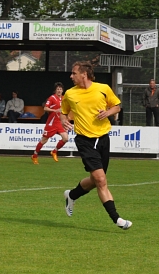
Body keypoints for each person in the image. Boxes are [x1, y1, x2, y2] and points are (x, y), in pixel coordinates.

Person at [60, 61, 131, 230]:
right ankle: (117, 219)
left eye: (74, 73)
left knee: (95, 180)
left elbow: (117, 106)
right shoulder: (69, 94)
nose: (71, 76)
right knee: (101, 180)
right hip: (84, 140)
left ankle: (71, 195)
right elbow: (63, 113)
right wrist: (64, 121)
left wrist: (108, 112)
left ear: (84, 74)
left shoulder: (103, 88)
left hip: (103, 139)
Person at [31, 82, 68, 164]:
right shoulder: (52, 98)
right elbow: (45, 108)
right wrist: (54, 110)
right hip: (51, 123)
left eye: (60, 89)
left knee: (65, 138)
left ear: (62, 90)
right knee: (44, 140)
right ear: (55, 90)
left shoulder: (64, 98)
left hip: (59, 122)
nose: (59, 90)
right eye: (58, 89)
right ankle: (34, 156)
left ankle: (54, 151)